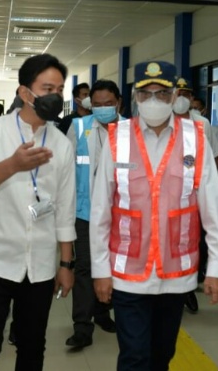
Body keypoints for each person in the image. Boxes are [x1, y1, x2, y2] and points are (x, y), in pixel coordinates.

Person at [90, 61, 218, 371]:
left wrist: (217, 267)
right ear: (135, 97)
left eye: (162, 93)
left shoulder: (195, 138)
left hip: (176, 273)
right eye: (146, 93)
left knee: (162, 354)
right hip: (128, 272)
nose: (153, 100)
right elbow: (101, 210)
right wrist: (100, 269)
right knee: (134, 356)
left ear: (175, 95)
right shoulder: (118, 138)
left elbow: (214, 209)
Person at [0, 54, 75, 371]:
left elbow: (65, 208)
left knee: (32, 345)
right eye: (47, 87)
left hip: (39, 265)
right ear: (26, 93)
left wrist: (66, 263)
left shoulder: (61, 144)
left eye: (60, 88)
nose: (55, 95)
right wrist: (13, 165)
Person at [64, 79, 122, 350]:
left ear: (118, 103)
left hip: (121, 213)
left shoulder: (130, 131)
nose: (102, 109)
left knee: (113, 266)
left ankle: (103, 312)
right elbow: (67, 170)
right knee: (86, 267)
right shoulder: (79, 128)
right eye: (96, 105)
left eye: (108, 104)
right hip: (86, 212)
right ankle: (82, 326)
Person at [173, 77, 218, 313]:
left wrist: (202, 184)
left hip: (195, 196)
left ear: (192, 98)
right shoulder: (161, 122)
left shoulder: (202, 124)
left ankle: (190, 286)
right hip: (171, 200)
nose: (182, 98)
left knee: (197, 243)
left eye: (187, 94)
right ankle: (179, 291)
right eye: (178, 93)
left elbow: (217, 155)